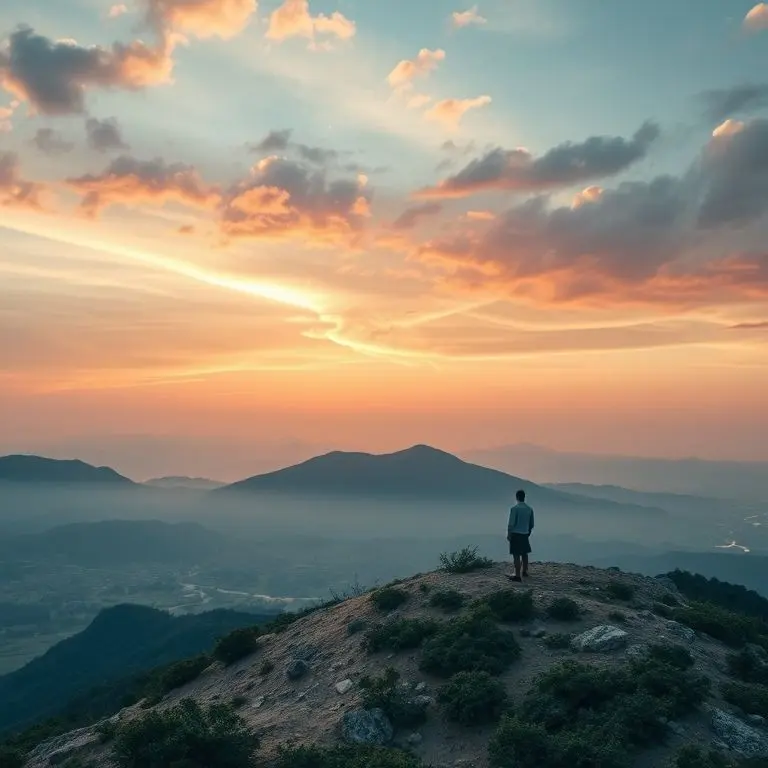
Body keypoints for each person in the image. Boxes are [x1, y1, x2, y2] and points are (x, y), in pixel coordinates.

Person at [507, 489, 534, 582]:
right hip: (525, 533)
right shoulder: (529, 509)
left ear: (516, 497)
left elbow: (511, 524)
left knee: (516, 554)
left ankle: (517, 575)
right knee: (524, 553)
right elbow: (531, 524)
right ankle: (525, 571)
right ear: (524, 497)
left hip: (515, 534)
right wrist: (528, 531)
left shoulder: (514, 509)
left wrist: (509, 534)